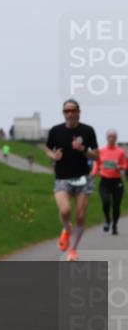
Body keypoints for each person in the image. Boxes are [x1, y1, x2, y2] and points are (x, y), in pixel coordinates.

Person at [44, 99, 99, 261]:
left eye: (73, 110)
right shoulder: (56, 131)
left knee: (80, 216)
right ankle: (66, 229)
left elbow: (96, 156)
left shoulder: (88, 131)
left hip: (83, 178)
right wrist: (53, 156)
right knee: (65, 211)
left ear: (78, 112)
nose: (70, 114)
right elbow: (47, 148)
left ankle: (73, 250)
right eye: (66, 111)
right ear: (63, 113)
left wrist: (83, 149)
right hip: (62, 178)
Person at [93, 129, 127, 235]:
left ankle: (115, 226)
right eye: (110, 137)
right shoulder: (101, 151)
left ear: (116, 138)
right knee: (106, 202)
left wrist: (119, 166)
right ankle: (107, 219)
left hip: (117, 182)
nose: (112, 138)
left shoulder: (120, 151)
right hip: (105, 182)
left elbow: (125, 165)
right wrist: (93, 174)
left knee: (116, 206)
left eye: (114, 137)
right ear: (107, 138)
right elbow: (96, 164)